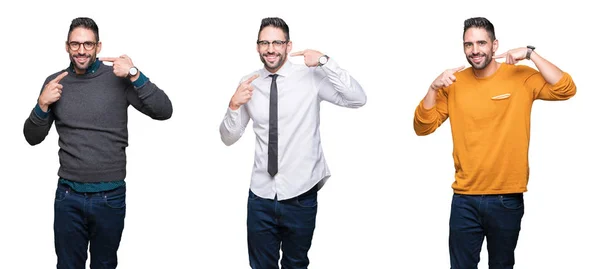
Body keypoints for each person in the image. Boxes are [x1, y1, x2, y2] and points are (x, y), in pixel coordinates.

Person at [413, 17, 576, 269]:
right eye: (468, 44)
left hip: (506, 196)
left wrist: (531, 54)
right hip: (464, 197)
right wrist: (433, 88)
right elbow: (422, 127)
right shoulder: (453, 83)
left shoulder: (520, 76)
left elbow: (566, 88)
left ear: (494, 45)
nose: (475, 50)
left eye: (481, 43)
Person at [23, 17, 173, 269]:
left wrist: (136, 74)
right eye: (75, 44)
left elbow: (164, 110)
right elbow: (32, 138)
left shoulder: (118, 78)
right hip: (68, 195)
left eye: (88, 44)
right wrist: (42, 105)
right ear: (66, 46)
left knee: (104, 265)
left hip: (109, 196)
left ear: (98, 47)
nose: (81, 50)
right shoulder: (55, 82)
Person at [219, 17, 366, 269]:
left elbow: (357, 99)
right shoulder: (249, 82)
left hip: (300, 194)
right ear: (257, 47)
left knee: (296, 265)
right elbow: (228, 138)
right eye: (264, 43)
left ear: (288, 46)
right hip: (261, 197)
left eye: (277, 42)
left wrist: (325, 62)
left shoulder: (310, 76)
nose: (271, 49)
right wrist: (233, 105)